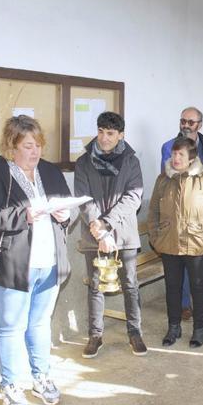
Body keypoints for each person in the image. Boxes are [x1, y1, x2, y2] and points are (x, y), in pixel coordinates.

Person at [0, 115, 72, 405]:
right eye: (28, 146)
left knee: (40, 324)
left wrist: (65, 215)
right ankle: (10, 385)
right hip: (13, 264)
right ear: (11, 146)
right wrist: (24, 215)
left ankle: (41, 377)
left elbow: (67, 205)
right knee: (10, 327)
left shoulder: (49, 171)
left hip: (49, 261)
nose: (35, 152)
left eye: (38, 145)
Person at [74, 112, 147, 358]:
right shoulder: (84, 162)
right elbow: (84, 198)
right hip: (93, 233)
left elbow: (133, 197)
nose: (104, 138)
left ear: (121, 135)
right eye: (101, 132)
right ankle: (95, 336)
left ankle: (135, 332)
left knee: (130, 284)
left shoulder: (130, 161)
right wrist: (98, 228)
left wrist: (106, 224)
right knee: (95, 285)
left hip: (123, 233)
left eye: (111, 134)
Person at [149, 137, 203, 348]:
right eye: (174, 153)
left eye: (181, 154)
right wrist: (155, 237)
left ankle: (199, 329)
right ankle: (174, 327)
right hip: (169, 243)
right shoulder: (163, 179)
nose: (176, 158)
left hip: (198, 243)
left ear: (191, 158)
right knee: (172, 287)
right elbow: (153, 209)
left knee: (198, 288)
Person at [159, 107, 203, 319]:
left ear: (200, 125)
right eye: (183, 121)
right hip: (178, 215)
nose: (186, 125)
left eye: (191, 122)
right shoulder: (169, 147)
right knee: (182, 264)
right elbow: (167, 178)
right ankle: (184, 305)